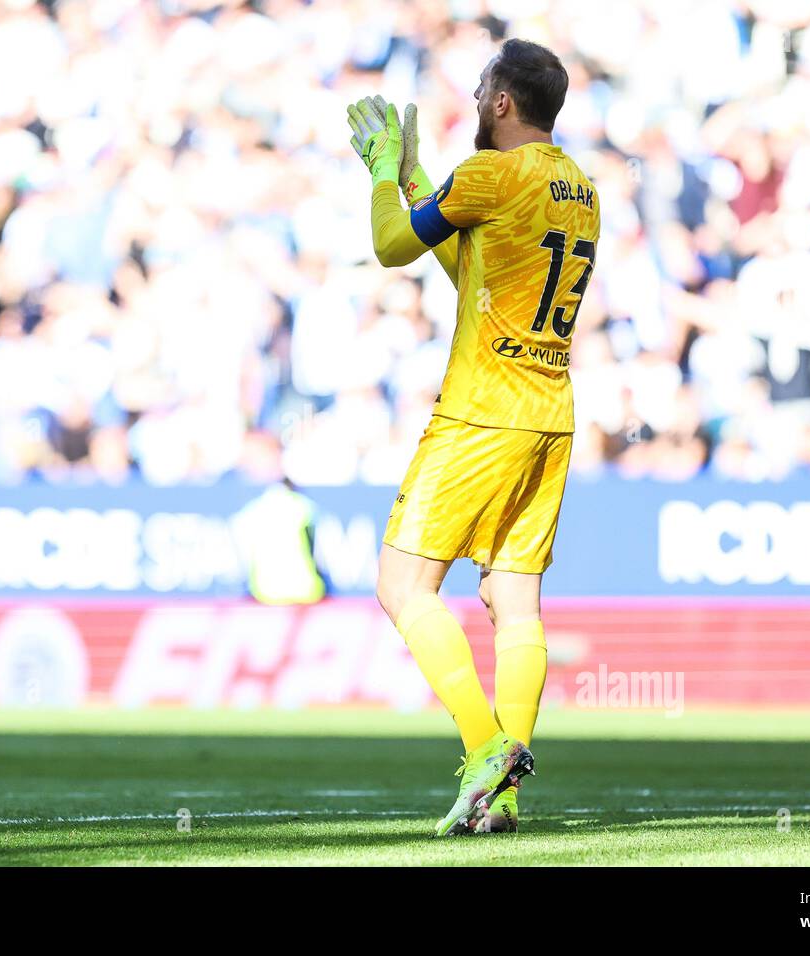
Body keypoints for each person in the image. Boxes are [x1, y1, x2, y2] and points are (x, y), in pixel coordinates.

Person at [347, 38, 599, 836]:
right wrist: (420, 177)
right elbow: (475, 270)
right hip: (550, 413)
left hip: (482, 410)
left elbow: (394, 247)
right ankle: (505, 796)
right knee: (512, 599)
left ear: (500, 102)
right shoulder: (581, 187)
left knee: (402, 586)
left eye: (481, 86)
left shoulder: (490, 172)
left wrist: (386, 173)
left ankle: (487, 747)